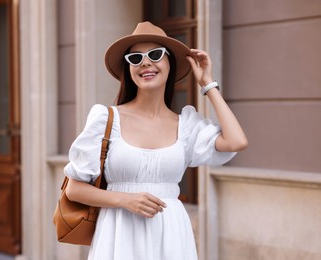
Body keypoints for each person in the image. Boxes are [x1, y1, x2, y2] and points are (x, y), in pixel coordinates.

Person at [64, 21, 248, 260]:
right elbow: (73, 189)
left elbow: (236, 141)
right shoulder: (106, 119)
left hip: (170, 237)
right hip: (118, 237)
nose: (146, 63)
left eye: (155, 54)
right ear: (128, 68)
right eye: (135, 58)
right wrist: (125, 199)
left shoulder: (186, 125)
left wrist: (207, 84)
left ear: (170, 63)